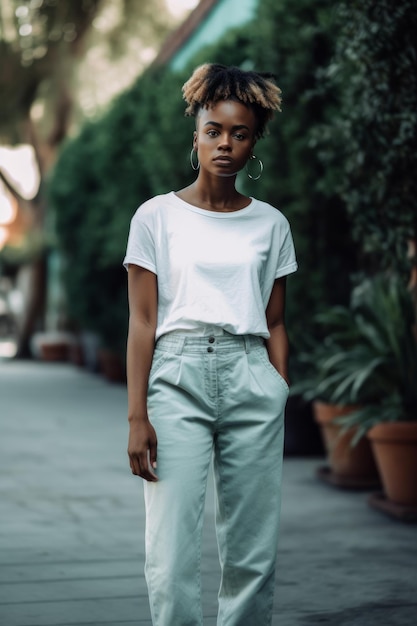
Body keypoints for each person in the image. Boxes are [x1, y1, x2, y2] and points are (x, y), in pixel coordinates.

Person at [123, 63, 298, 626]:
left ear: (254, 142)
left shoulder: (271, 224)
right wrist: (136, 415)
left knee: (253, 552)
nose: (225, 144)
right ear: (195, 135)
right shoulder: (156, 216)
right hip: (177, 379)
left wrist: (278, 386)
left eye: (239, 133)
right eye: (214, 131)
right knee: (170, 549)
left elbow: (275, 321)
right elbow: (142, 322)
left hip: (252, 376)